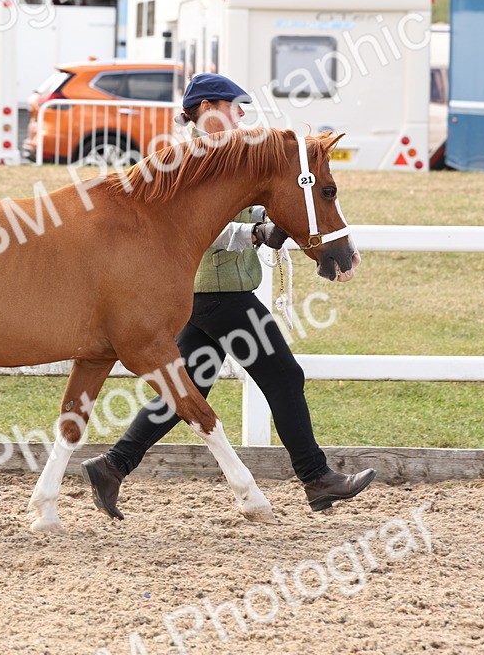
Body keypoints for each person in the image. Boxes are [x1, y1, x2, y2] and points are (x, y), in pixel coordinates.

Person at [81, 73, 375, 518]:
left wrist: (277, 220)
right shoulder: (181, 158)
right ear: (209, 108)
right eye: (236, 108)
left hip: (212, 295)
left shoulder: (227, 155)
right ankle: (316, 478)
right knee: (283, 377)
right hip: (217, 292)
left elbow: (250, 202)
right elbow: (193, 227)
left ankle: (113, 465)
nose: (240, 117)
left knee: (188, 387)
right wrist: (254, 232)